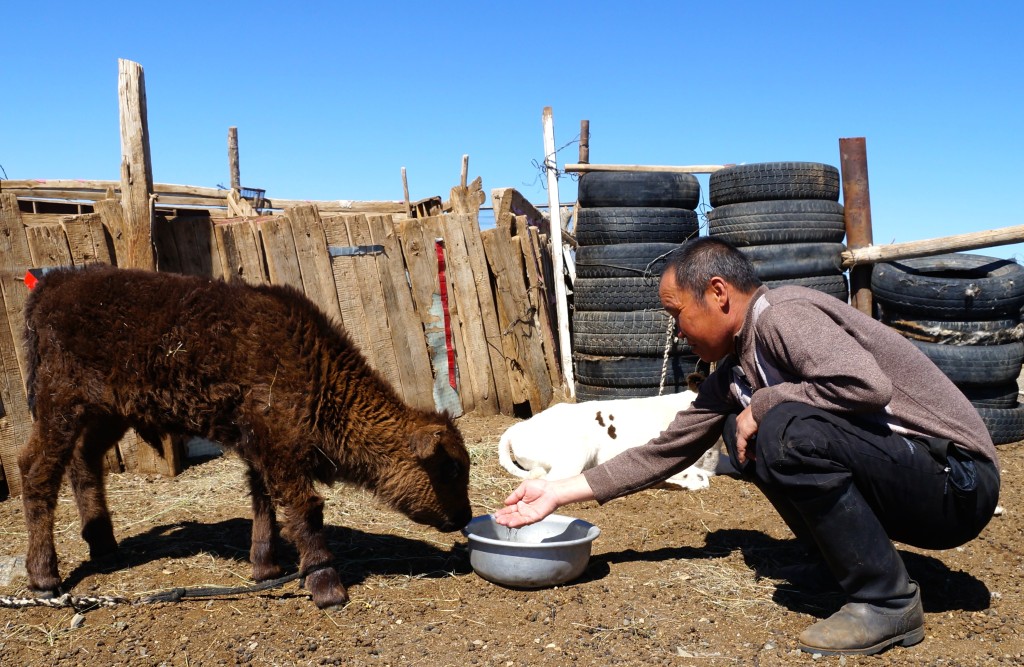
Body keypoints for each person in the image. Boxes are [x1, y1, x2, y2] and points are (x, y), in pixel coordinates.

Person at [495, 237, 1000, 656]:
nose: (676, 330)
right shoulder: (735, 369)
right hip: (914, 479)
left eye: (677, 313)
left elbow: (865, 385)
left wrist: (767, 402)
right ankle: (835, 561)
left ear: (718, 293)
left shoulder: (784, 315)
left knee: (780, 426)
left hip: (957, 481)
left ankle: (888, 603)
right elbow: (664, 451)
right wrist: (558, 492)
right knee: (742, 430)